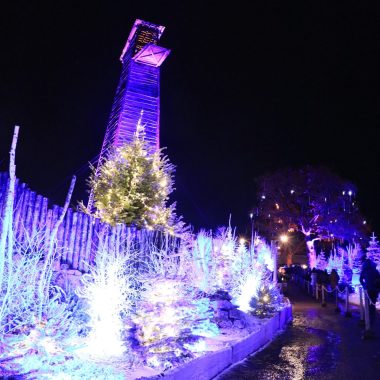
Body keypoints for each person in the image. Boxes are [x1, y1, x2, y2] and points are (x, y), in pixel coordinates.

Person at [360, 256, 380, 334]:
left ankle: (367, 320)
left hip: (368, 289)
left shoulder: (364, 270)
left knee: (368, 304)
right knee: (372, 304)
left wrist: (364, 285)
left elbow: (361, 279)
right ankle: (372, 319)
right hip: (374, 289)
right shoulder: (375, 271)